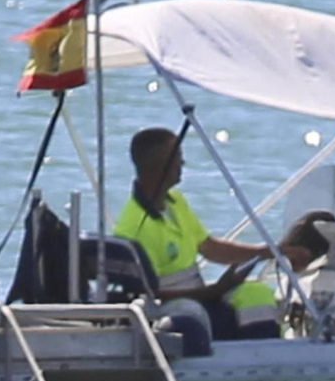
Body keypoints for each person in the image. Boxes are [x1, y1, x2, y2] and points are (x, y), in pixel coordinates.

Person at [116, 128, 282, 342]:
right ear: (159, 166)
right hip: (171, 307)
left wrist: (267, 252)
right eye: (177, 157)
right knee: (192, 314)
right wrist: (213, 291)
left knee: (256, 294)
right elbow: (150, 296)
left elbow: (210, 248)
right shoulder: (134, 229)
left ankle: (264, 355)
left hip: (200, 294)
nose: (182, 164)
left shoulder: (175, 202)